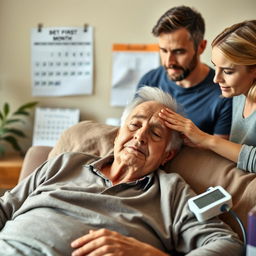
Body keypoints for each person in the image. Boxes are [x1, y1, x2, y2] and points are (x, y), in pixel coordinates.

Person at [0, 87, 242, 256]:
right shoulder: (65, 163)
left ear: (167, 155)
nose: (140, 136)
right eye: (135, 125)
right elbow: (6, 207)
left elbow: (227, 244)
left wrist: (150, 255)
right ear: (118, 136)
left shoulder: (171, 192)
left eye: (156, 133)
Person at [159, 20, 256, 173]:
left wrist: (207, 139)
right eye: (215, 67)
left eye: (228, 71)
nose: (216, 79)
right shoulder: (238, 94)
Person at [136, 5, 232, 139]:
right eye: (164, 50)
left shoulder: (223, 93)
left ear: (201, 47)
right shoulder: (150, 80)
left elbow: (219, 158)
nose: (169, 61)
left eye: (179, 51)